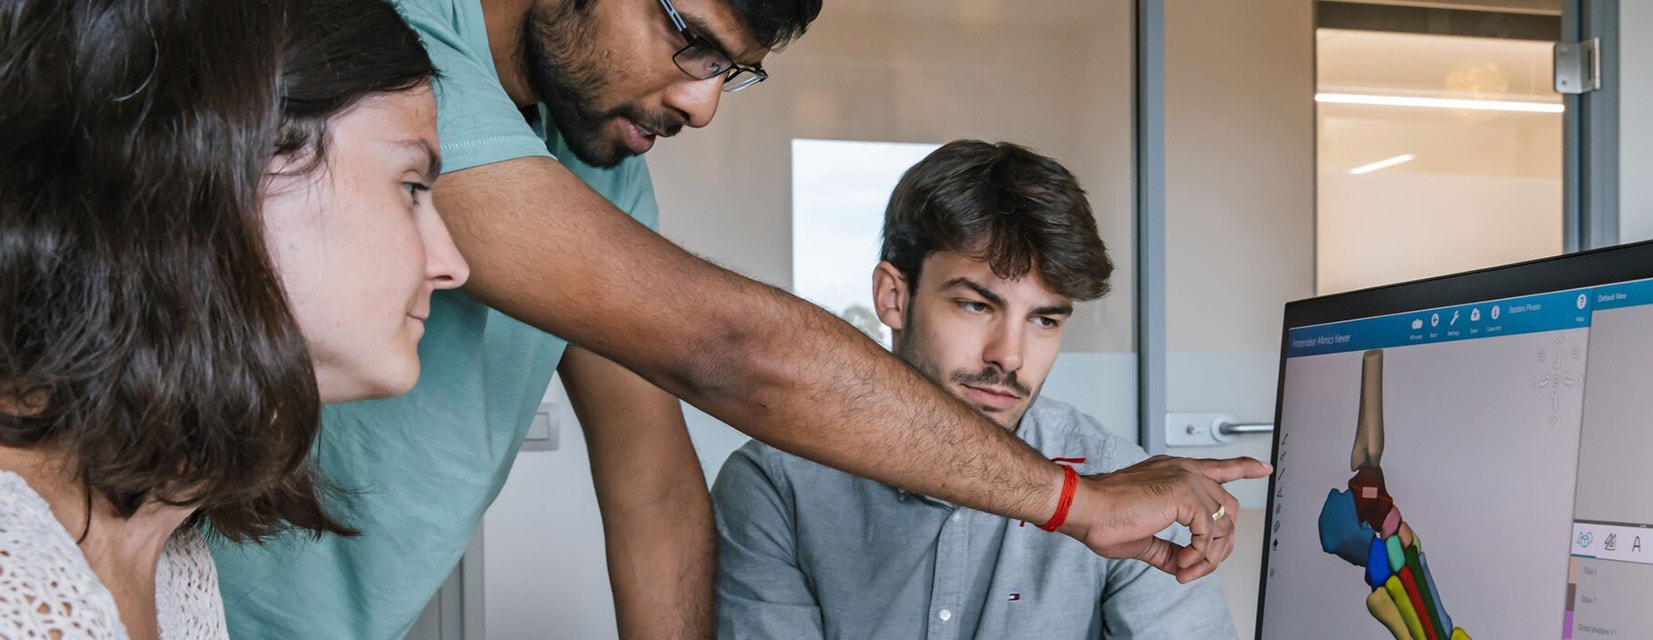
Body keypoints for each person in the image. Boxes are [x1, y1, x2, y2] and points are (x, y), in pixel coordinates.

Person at [213, 0, 1269, 637]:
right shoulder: (387, 49)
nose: (702, 103)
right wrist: (1071, 502)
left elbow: (655, 484)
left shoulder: (600, 169)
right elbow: (726, 350)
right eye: (687, 37)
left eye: (732, 70)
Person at [0, 0, 466, 637]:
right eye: (411, 186)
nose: (452, 265)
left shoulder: (173, 560)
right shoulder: (16, 581)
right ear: (229, 165)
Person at [713, 140, 1237, 639]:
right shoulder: (776, 485)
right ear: (893, 297)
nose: (1009, 356)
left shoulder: (1119, 479)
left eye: (1045, 320)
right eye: (976, 305)